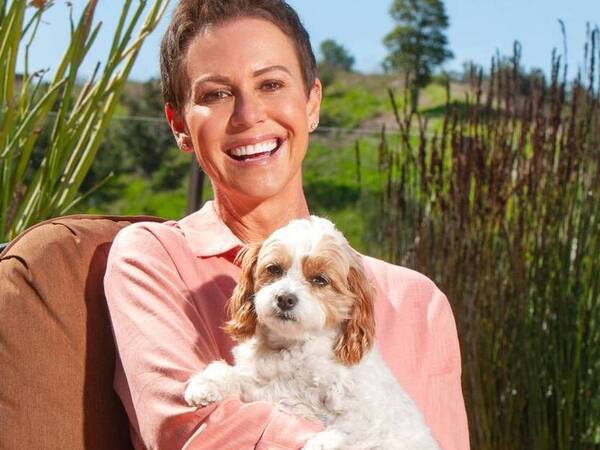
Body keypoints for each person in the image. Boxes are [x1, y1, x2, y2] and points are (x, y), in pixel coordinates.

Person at [103, 0, 470, 449]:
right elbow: (189, 430)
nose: (248, 115)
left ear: (313, 102)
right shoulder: (152, 260)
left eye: (272, 84)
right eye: (216, 93)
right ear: (179, 124)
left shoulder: (419, 303)